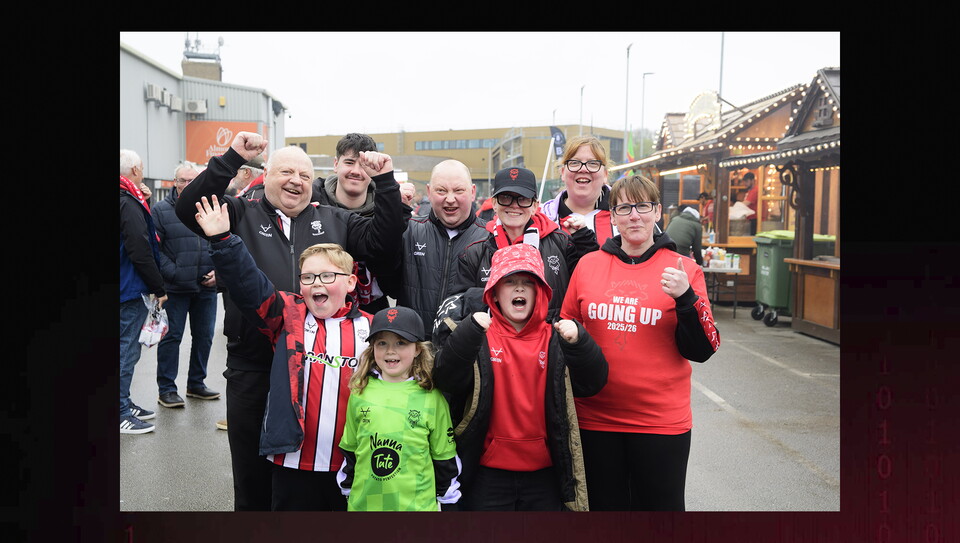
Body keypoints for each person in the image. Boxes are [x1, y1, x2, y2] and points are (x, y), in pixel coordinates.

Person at [175, 131, 406, 511]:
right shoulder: (239, 213)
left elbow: (384, 244)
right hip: (253, 366)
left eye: (303, 174)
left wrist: (384, 183)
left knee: (304, 484)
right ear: (265, 175)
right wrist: (230, 158)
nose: (295, 181)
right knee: (251, 482)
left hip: (312, 371)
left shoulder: (335, 219)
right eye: (285, 172)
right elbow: (189, 208)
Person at [196, 194, 373, 510]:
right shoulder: (289, 316)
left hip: (352, 466)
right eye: (308, 277)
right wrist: (223, 239)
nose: (316, 283)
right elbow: (249, 283)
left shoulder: (374, 332)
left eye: (328, 276)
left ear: (350, 282)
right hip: (292, 464)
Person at [560, 175, 720, 511]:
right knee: (604, 512)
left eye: (643, 206)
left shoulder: (684, 270)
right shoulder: (588, 266)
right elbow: (567, 333)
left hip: (660, 422)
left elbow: (703, 349)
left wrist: (685, 298)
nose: (635, 216)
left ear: (657, 212)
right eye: (624, 207)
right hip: (596, 420)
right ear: (613, 215)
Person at [432, 243, 607, 511]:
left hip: (544, 473)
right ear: (494, 293)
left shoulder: (556, 337)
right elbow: (447, 379)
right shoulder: (479, 335)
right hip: (487, 471)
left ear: (540, 292)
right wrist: (467, 333)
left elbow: (592, 383)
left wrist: (581, 342)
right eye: (509, 281)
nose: (518, 288)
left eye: (528, 282)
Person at [336, 306, 462, 511]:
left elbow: (444, 458)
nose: (390, 351)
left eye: (401, 343)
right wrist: (348, 490)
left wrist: (448, 501)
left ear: (418, 349)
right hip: (365, 507)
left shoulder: (432, 397)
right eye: (382, 343)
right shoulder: (360, 392)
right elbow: (350, 451)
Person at [449, 166, 597, 325]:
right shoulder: (474, 252)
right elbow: (460, 305)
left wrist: (584, 240)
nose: (514, 205)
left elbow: (591, 284)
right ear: (494, 203)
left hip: (550, 344)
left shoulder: (562, 244)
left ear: (535, 206)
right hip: (494, 346)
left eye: (523, 199)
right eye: (505, 198)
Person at [378, 159, 488, 343]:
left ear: (472, 192)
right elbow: (386, 282)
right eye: (441, 191)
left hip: (465, 354)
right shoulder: (408, 231)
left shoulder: (490, 238)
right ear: (429, 192)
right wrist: (393, 213)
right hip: (413, 351)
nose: (450, 199)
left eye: (458, 190)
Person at [311, 133, 416, 314]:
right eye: (349, 162)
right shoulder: (311, 203)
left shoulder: (387, 210)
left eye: (363, 165)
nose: (356, 171)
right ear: (336, 164)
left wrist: (401, 210)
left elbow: (393, 270)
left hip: (370, 316)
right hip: (317, 313)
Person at [151, 162, 221, 409]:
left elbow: (223, 240)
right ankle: (167, 389)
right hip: (175, 289)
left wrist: (218, 271)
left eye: (194, 180)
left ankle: (196, 384)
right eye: (184, 180)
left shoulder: (212, 207)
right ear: (175, 182)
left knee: (204, 337)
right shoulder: (160, 210)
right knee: (172, 338)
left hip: (206, 287)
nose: (188, 185)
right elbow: (154, 250)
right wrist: (176, 273)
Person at [120, 149, 167, 434]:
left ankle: (123, 401)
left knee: (128, 350)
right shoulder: (127, 202)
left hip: (127, 286)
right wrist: (158, 286)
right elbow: (140, 247)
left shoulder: (131, 198)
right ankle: (121, 411)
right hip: (130, 288)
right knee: (126, 351)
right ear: (136, 170)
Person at [540, 135, 617, 246]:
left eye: (593, 163)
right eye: (575, 163)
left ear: (605, 174)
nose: (583, 169)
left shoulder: (625, 216)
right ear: (563, 172)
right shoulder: (543, 218)